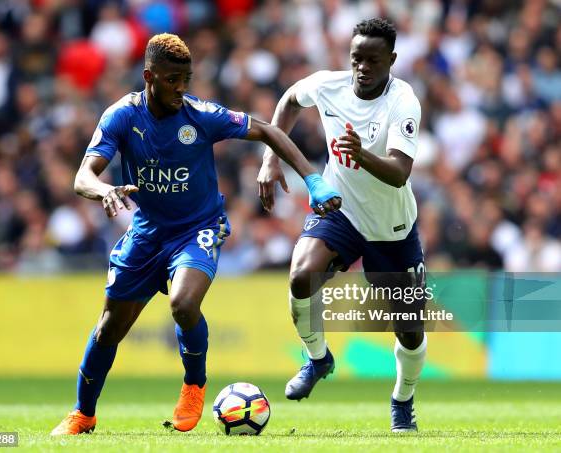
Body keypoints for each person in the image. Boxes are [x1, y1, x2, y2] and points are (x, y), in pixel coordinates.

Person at [51, 33, 341, 436]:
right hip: (147, 234)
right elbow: (84, 175)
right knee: (108, 329)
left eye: (186, 78)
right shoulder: (122, 116)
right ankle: (83, 414)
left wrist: (311, 178)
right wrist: (105, 191)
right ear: (149, 76)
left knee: (184, 303)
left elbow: (269, 131)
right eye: (172, 80)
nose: (181, 88)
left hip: (198, 229)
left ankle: (193, 385)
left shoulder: (201, 115)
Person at [257, 18, 426, 432]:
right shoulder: (328, 84)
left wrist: (361, 153)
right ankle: (318, 359)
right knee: (301, 275)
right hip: (341, 209)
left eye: (372, 60)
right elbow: (289, 101)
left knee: (409, 330)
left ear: (392, 60)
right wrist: (270, 158)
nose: (362, 68)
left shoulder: (403, 101)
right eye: (356, 58)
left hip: (392, 227)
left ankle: (402, 400)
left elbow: (400, 172)